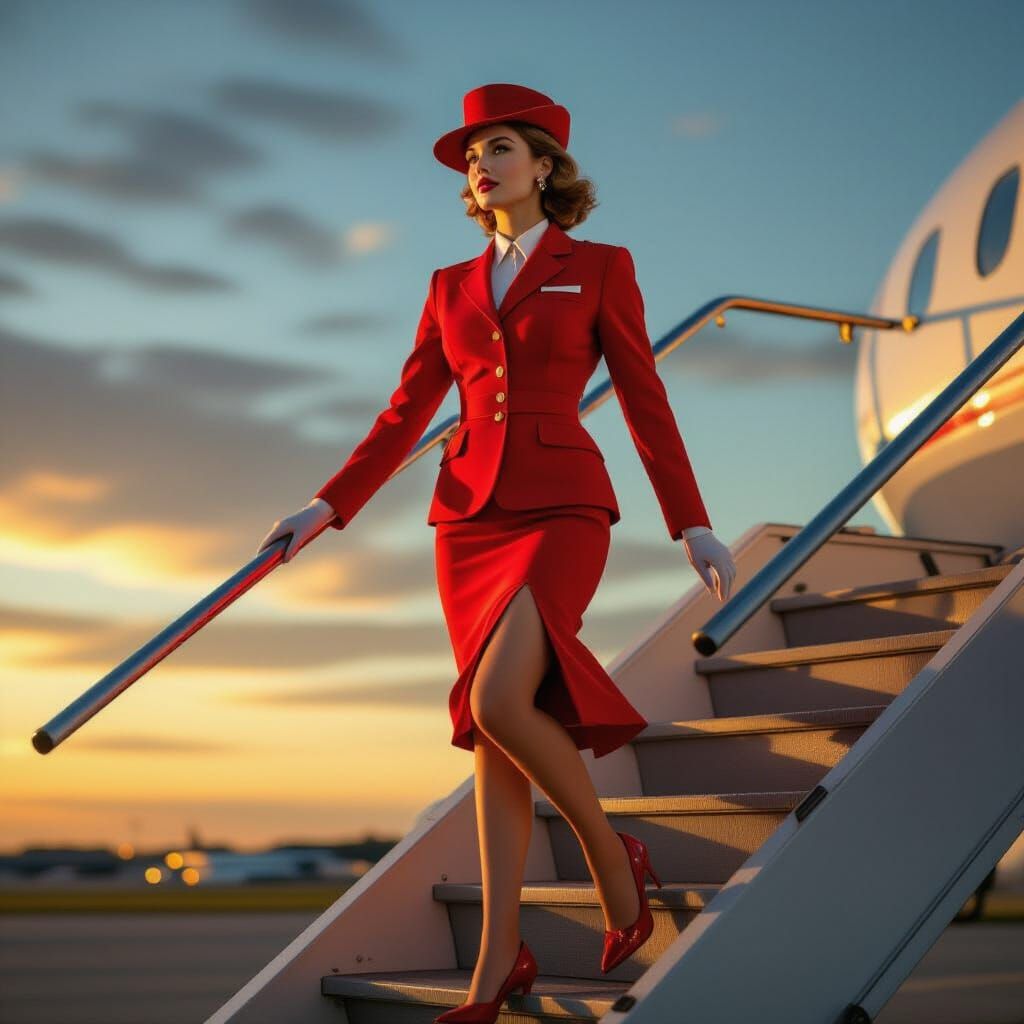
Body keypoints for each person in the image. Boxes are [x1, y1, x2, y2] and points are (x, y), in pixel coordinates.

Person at [258, 83, 736, 1023]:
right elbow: (404, 414)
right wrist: (327, 505)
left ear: (547, 166)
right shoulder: (448, 286)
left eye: (501, 148)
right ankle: (495, 968)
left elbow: (644, 397)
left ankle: (610, 856)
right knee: (494, 738)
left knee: (495, 699)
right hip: (467, 522)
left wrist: (689, 519)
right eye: (473, 154)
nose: (481, 165)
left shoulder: (599, 264)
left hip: (563, 508)